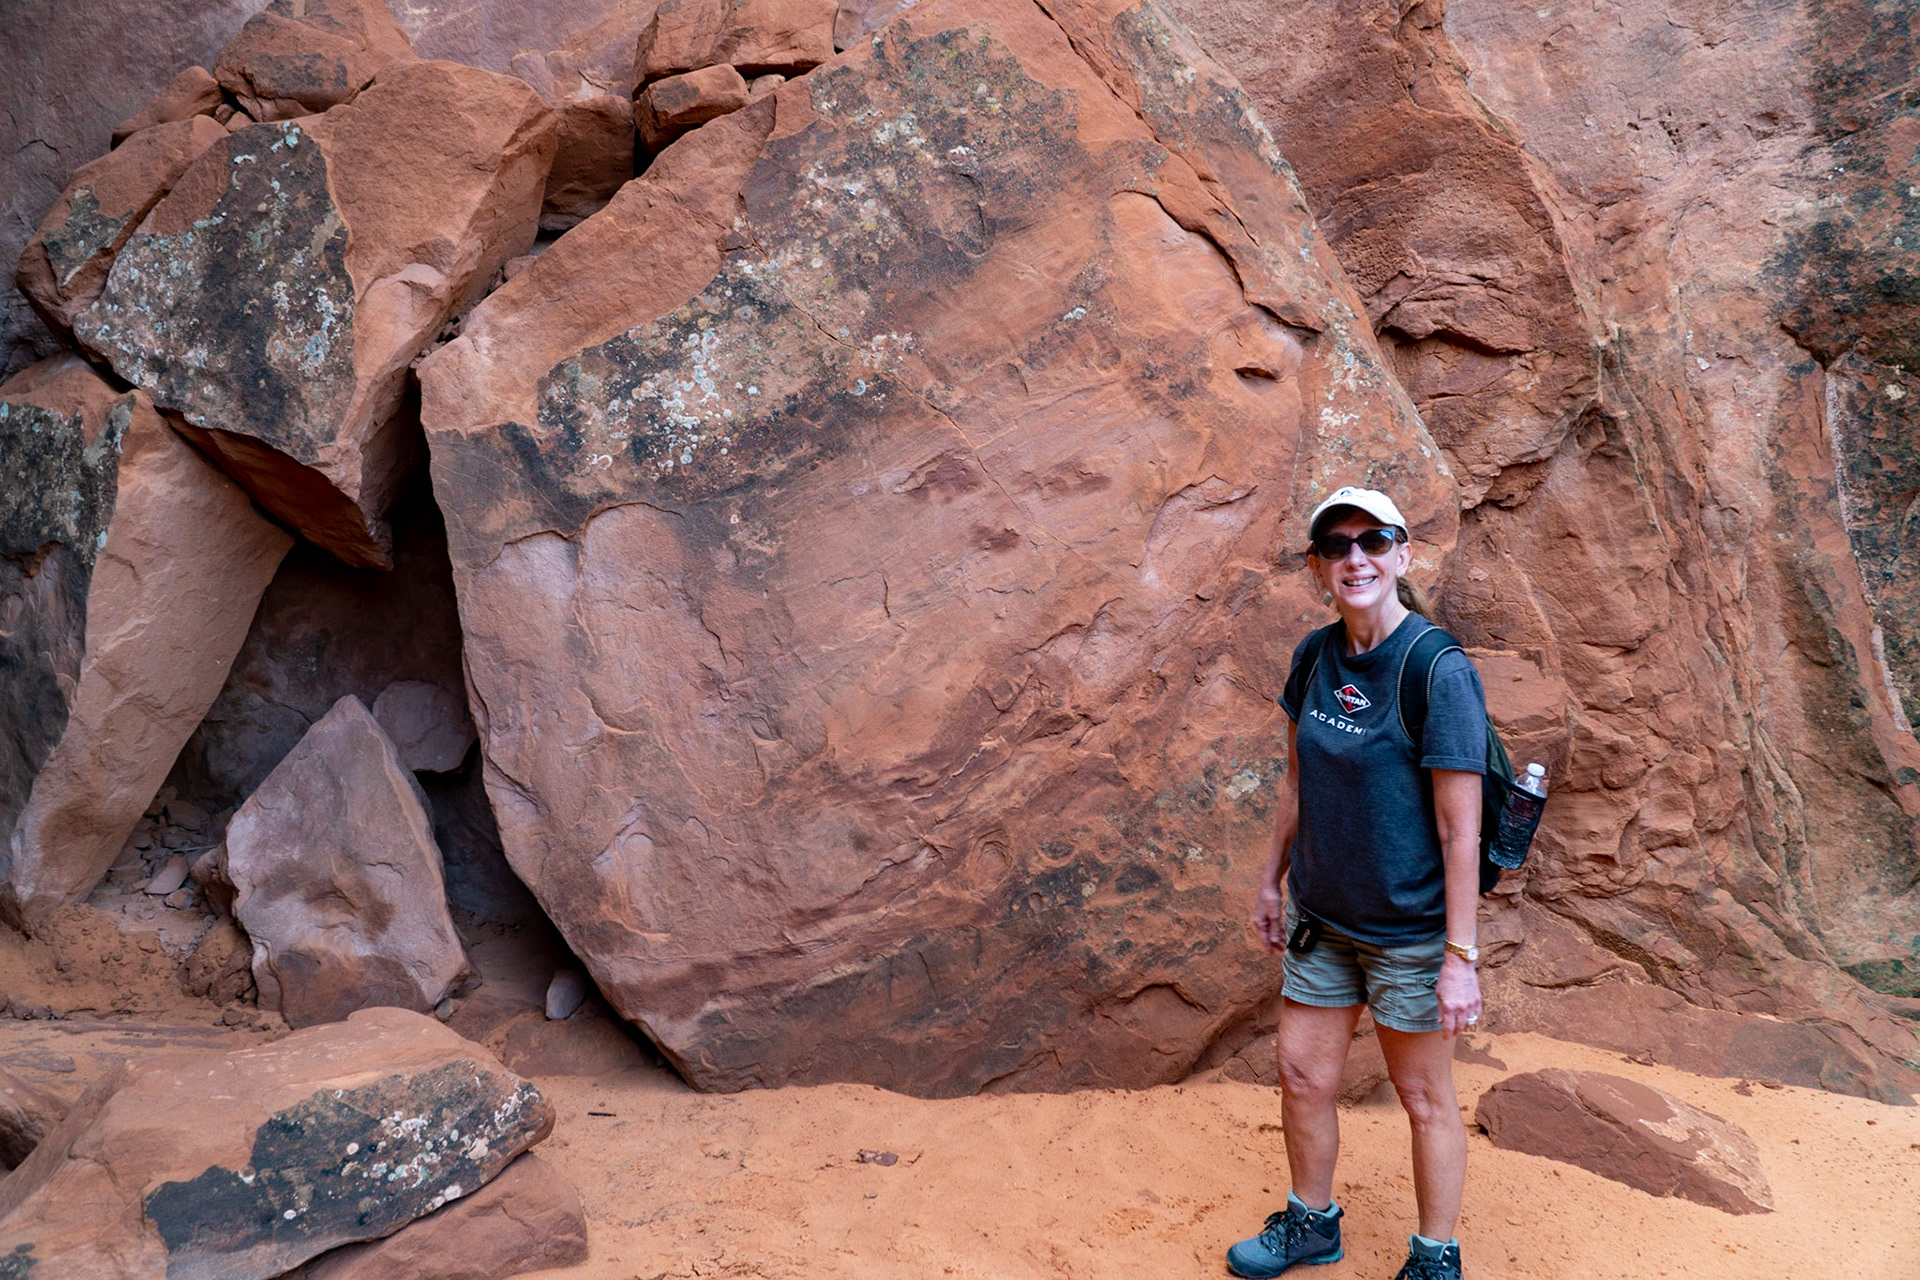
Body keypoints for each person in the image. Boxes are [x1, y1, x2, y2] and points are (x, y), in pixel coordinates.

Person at [1225, 486, 1488, 1280]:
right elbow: (1298, 779)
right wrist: (1272, 881)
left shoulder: (1436, 669)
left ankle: (1435, 1256)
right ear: (1318, 567)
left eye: (1374, 541)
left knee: (1423, 1099)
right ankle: (1312, 1225)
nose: (1356, 558)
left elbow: (1460, 829)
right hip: (1325, 919)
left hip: (1408, 932)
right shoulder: (1315, 654)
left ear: (1403, 557)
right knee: (1303, 1075)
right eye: (1337, 547)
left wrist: (1460, 957)